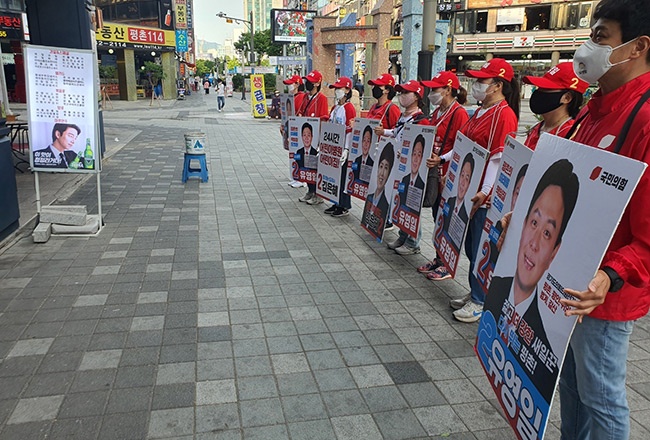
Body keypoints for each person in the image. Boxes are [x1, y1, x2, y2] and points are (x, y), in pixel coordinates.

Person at [550, 1, 650, 437]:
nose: (587, 47)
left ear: (637, 47)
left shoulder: (644, 119)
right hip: (570, 282)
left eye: (601, 35)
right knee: (570, 387)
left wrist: (610, 275)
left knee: (603, 399)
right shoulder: (595, 110)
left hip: (604, 298)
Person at [485, 159, 579, 404]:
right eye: (534, 223)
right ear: (522, 222)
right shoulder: (495, 292)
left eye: (547, 233)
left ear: (555, 252)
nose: (534, 243)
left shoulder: (544, 349)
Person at [452, 58, 520, 323]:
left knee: (481, 247)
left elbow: (498, 159)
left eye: (482, 81)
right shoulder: (481, 110)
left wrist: (487, 191)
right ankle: (474, 292)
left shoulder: (503, 114)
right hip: (470, 188)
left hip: (484, 196)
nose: (477, 85)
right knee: (471, 246)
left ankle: (481, 299)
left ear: (498, 85)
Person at [417, 71, 470, 281]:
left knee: (447, 219)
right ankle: (439, 257)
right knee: (438, 217)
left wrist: (442, 158)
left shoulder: (459, 113)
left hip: (449, 173)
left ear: (448, 89)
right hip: (435, 172)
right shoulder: (438, 111)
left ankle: (447, 263)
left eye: (436, 88)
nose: (431, 92)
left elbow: (461, 145)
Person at [379, 80, 431, 255]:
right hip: (399, 168)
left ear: (416, 96)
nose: (401, 96)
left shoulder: (421, 120)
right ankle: (403, 235)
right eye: (400, 93)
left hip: (411, 170)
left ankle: (413, 242)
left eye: (405, 93)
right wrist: (384, 132)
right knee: (400, 201)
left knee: (411, 204)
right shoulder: (404, 116)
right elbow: (396, 132)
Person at [522, 62, 589, 149]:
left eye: (546, 89)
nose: (538, 93)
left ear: (567, 98)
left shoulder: (572, 135)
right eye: (539, 88)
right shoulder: (537, 127)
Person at [366, 73, 401, 232]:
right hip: (373, 153)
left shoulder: (392, 109)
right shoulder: (374, 107)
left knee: (384, 185)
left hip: (385, 156)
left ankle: (386, 218)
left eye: (378, 86)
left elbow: (398, 132)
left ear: (387, 90)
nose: (374, 89)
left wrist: (384, 131)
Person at [324, 76, 356, 217]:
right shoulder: (336, 107)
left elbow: (350, 130)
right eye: (336, 88)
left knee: (343, 177)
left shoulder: (349, 108)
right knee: (335, 176)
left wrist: (347, 149)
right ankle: (336, 202)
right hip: (333, 148)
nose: (337, 91)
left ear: (347, 89)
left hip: (343, 148)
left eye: (339, 88)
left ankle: (344, 205)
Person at [296, 70, 329, 205]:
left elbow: (324, 117)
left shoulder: (322, 98)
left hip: (316, 138)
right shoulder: (305, 97)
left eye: (310, 81)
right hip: (306, 137)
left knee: (315, 166)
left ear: (317, 83)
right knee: (306, 165)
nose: (307, 83)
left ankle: (317, 194)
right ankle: (310, 190)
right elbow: (300, 112)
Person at [362, 142, 395, 235]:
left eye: (386, 168)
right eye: (381, 166)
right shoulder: (369, 197)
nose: (382, 173)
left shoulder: (386, 202)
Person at [281, 75, 307, 188]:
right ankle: (294, 176)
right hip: (289, 128)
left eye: (291, 83)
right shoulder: (291, 97)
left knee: (298, 153)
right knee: (292, 152)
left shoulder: (300, 97)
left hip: (297, 129)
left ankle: (300, 178)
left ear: (297, 84)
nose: (289, 86)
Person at [398, 134, 426, 216]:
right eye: (414, 154)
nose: (416, 159)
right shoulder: (404, 179)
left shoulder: (422, 183)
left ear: (422, 159)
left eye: (419, 155)